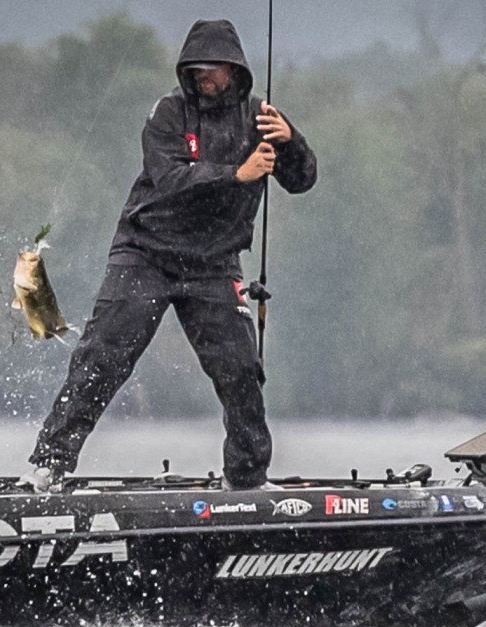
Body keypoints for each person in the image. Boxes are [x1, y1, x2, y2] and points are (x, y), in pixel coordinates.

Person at [17, 19, 317, 492]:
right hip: (146, 253)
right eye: (196, 69)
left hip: (213, 264)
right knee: (103, 358)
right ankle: (47, 467)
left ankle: (246, 480)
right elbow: (171, 179)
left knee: (241, 369)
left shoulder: (259, 118)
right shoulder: (167, 113)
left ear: (234, 70)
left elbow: (302, 180)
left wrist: (290, 140)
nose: (204, 76)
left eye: (213, 69)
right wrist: (235, 174)